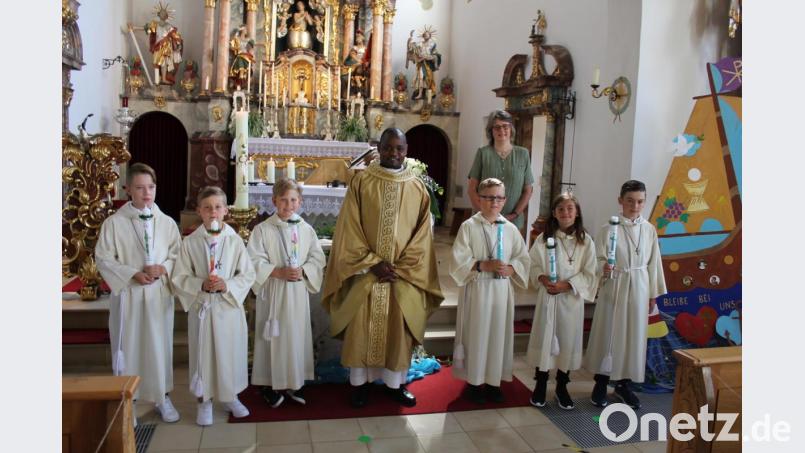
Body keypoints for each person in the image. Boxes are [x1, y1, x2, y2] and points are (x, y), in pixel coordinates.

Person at [322, 128, 444, 408]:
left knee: (397, 332)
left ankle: (394, 384)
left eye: (399, 148)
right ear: (379, 148)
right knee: (361, 329)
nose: (393, 153)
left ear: (406, 149)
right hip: (366, 273)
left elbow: (423, 235)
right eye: (388, 148)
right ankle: (360, 385)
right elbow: (348, 228)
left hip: (402, 275)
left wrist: (401, 267)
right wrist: (371, 263)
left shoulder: (417, 187)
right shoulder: (361, 182)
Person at [96, 163, 182, 423]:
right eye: (140, 188)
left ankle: (161, 397)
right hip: (129, 296)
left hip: (157, 296)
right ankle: (128, 400)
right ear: (128, 189)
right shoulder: (114, 223)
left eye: (151, 187)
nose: (147, 193)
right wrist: (132, 273)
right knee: (129, 346)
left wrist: (164, 267)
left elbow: (178, 255)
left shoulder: (166, 223)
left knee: (159, 346)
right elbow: (103, 258)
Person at [171, 187, 256, 426]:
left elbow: (248, 274)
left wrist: (227, 285)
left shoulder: (235, 240)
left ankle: (230, 397)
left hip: (228, 308)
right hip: (203, 308)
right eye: (207, 207)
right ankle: (204, 400)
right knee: (203, 355)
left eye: (218, 207)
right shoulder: (190, 242)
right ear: (199, 211)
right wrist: (201, 284)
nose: (213, 212)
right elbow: (179, 276)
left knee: (229, 354)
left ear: (226, 210)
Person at [583, 180, 667, 410]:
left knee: (633, 336)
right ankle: (601, 383)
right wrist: (603, 268)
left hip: (640, 286)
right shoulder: (608, 228)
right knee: (609, 333)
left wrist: (653, 294)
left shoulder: (649, 229)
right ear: (620, 201)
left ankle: (624, 385)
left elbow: (653, 264)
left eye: (640, 201)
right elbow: (597, 259)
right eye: (630, 201)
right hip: (616, 284)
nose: (635, 205)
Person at [247, 179, 326, 408]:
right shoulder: (262, 230)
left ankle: (295, 381)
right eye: (283, 200)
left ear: (300, 202)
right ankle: (269, 384)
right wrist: (277, 271)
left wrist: (304, 270)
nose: (288, 204)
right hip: (273, 291)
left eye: (293, 200)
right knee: (273, 336)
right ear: (274, 201)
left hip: (296, 292)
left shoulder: (306, 229)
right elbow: (253, 259)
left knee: (295, 334)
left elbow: (317, 258)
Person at [450, 178, 530, 404]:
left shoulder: (511, 229)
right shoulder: (468, 226)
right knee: (476, 334)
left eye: (498, 197)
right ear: (479, 199)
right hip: (477, 289)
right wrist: (482, 265)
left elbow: (523, 258)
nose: (494, 201)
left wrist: (512, 268)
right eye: (488, 197)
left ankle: (494, 381)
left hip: (501, 291)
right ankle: (474, 382)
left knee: (497, 334)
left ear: (504, 200)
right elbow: (458, 260)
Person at [526, 193, 597, 410]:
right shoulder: (544, 238)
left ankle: (562, 387)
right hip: (548, 297)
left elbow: (590, 272)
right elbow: (533, 264)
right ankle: (540, 384)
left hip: (571, 300)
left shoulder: (585, 241)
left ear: (577, 213)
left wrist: (567, 285)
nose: (565, 213)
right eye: (561, 209)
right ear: (554, 214)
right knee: (545, 339)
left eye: (570, 208)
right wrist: (543, 278)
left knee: (567, 341)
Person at [468, 110, 535, 232]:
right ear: (491, 131)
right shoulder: (483, 153)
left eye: (505, 126)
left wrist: (514, 214)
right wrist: (484, 214)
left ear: (511, 129)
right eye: (497, 127)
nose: (502, 130)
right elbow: (472, 188)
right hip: (484, 220)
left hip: (513, 222)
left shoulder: (523, 154)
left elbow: (528, 190)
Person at [143, 5, 183, 85]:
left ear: (167, 16)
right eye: (162, 13)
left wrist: (179, 45)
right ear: (158, 14)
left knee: (164, 63)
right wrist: (134, 28)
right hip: (157, 46)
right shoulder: (155, 24)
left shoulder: (169, 26)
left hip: (166, 46)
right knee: (156, 62)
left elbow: (175, 36)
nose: (163, 14)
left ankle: (164, 79)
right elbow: (147, 29)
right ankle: (157, 79)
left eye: (165, 13)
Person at [229, 25, 254, 91]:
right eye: (245, 29)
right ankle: (239, 81)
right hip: (240, 56)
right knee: (240, 67)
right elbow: (232, 45)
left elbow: (250, 50)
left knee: (247, 70)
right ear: (242, 30)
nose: (246, 31)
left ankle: (243, 81)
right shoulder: (237, 39)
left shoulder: (248, 39)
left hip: (246, 56)